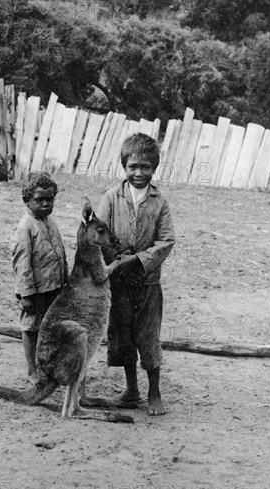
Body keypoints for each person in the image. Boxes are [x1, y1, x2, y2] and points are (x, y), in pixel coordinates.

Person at [97, 133, 176, 415]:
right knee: (123, 335)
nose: (139, 173)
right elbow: (100, 235)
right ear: (124, 166)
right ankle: (132, 389)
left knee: (148, 335)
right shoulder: (111, 197)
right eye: (133, 167)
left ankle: (154, 392)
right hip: (119, 283)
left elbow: (166, 241)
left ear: (154, 168)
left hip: (147, 284)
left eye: (145, 167)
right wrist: (119, 265)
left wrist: (139, 263)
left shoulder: (159, 202)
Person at [11, 172, 68, 381]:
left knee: (52, 326)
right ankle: (32, 370)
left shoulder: (50, 222)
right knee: (32, 327)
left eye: (50, 199)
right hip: (36, 290)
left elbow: (59, 252)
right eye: (39, 200)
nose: (45, 204)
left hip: (55, 286)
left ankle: (50, 366)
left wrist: (65, 281)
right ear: (27, 200)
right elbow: (22, 264)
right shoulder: (25, 227)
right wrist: (26, 294)